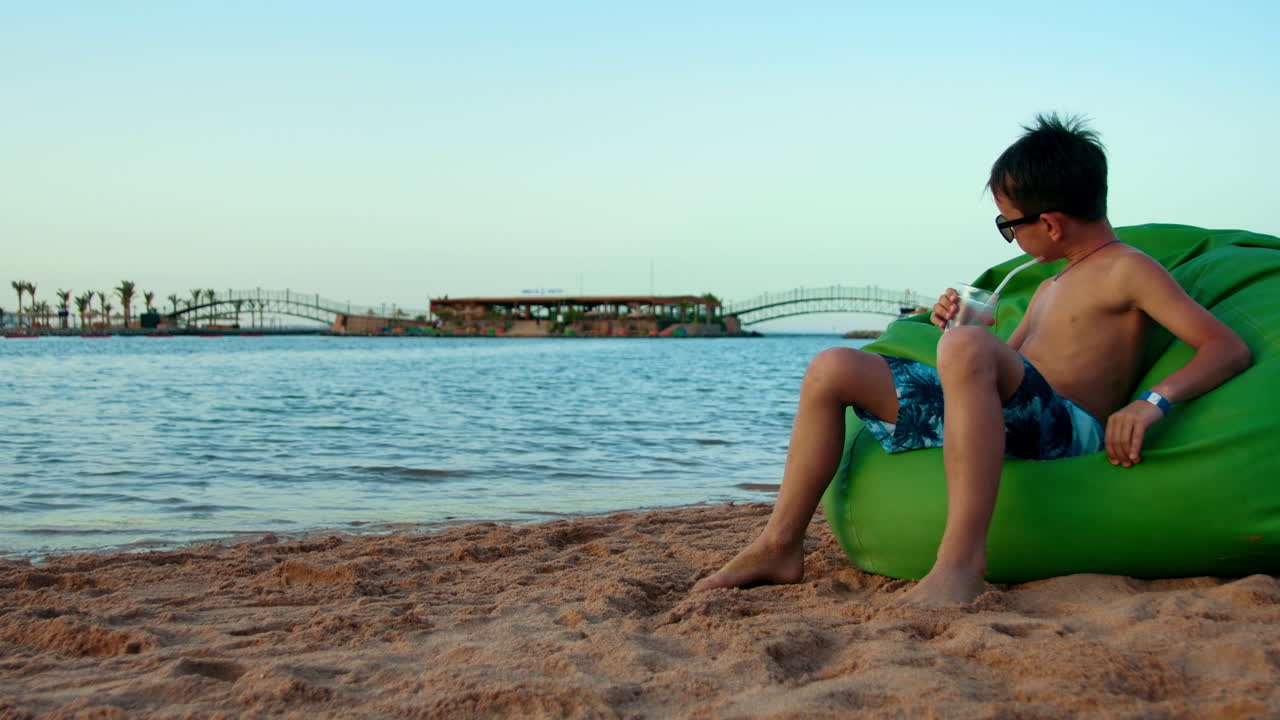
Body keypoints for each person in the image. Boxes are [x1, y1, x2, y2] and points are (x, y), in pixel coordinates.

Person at [692, 114, 1252, 606]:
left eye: (1010, 226)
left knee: (964, 349)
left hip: (1069, 428)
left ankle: (960, 563)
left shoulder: (1129, 269)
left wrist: (1152, 403)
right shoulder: (1048, 285)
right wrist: (965, 330)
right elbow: (1008, 368)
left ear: (1051, 223)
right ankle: (780, 544)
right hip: (1015, 414)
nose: (1009, 237)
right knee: (832, 367)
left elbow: (1226, 347)